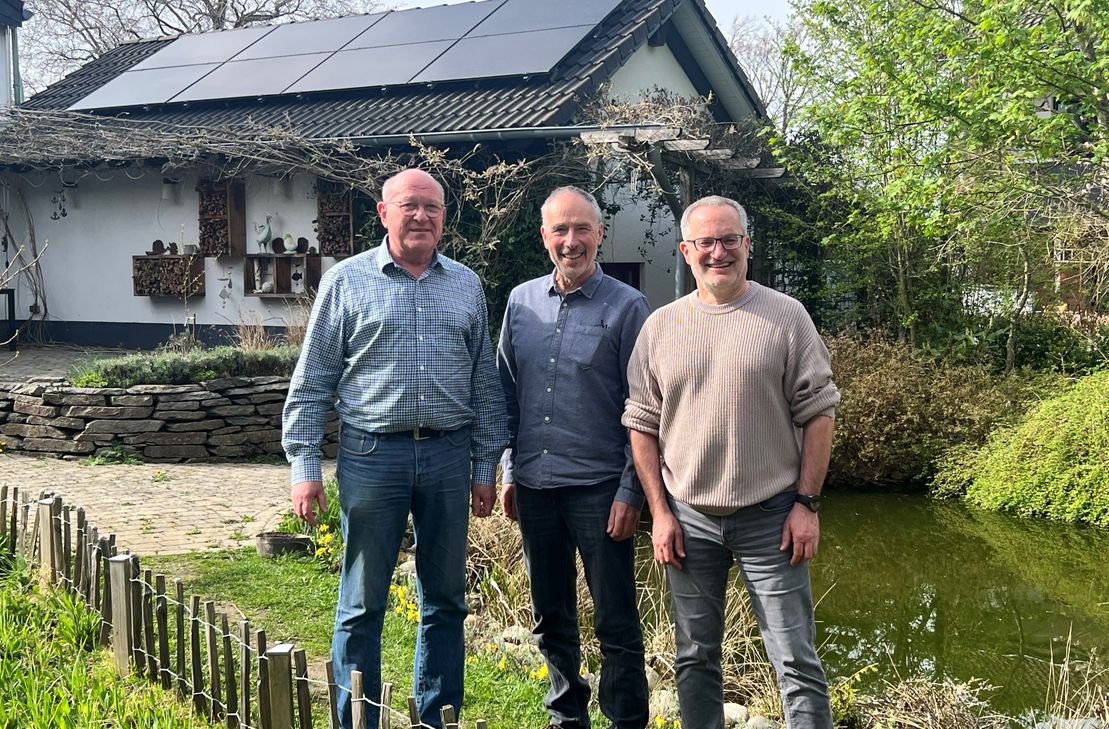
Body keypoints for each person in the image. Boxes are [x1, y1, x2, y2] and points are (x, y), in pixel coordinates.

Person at [282, 168, 507, 729]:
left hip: (448, 457)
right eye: (409, 206)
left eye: (432, 208)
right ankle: (356, 719)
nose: (421, 217)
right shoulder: (345, 281)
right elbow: (312, 382)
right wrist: (305, 466)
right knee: (362, 603)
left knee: (446, 600)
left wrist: (485, 468)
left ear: (444, 219)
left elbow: (484, 386)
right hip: (370, 456)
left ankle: (437, 717)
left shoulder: (466, 285)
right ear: (383, 213)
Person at [622, 195, 840, 729]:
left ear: (747, 244)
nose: (718, 252)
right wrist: (661, 514)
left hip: (773, 518)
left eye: (728, 240)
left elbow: (820, 413)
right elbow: (641, 425)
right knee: (695, 658)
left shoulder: (786, 317)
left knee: (796, 660)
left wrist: (806, 504)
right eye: (706, 242)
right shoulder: (660, 327)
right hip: (689, 520)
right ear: (685, 251)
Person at [497, 186, 650, 729]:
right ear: (544, 237)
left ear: (600, 234)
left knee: (616, 619)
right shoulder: (520, 302)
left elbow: (644, 407)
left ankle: (627, 719)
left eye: (581, 228)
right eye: (560, 230)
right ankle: (567, 716)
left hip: (600, 490)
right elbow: (506, 393)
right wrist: (511, 472)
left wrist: (632, 491)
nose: (571, 240)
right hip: (536, 487)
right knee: (551, 617)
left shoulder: (629, 307)